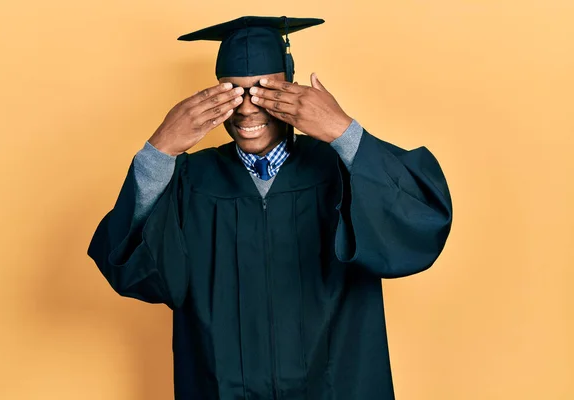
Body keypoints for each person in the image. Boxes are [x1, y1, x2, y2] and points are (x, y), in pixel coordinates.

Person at [88, 16, 452, 400]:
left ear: (291, 88)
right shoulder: (191, 179)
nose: (247, 109)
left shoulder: (343, 168)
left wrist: (344, 132)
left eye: (264, 90)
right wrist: (159, 150)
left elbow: (422, 223)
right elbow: (132, 268)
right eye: (234, 91)